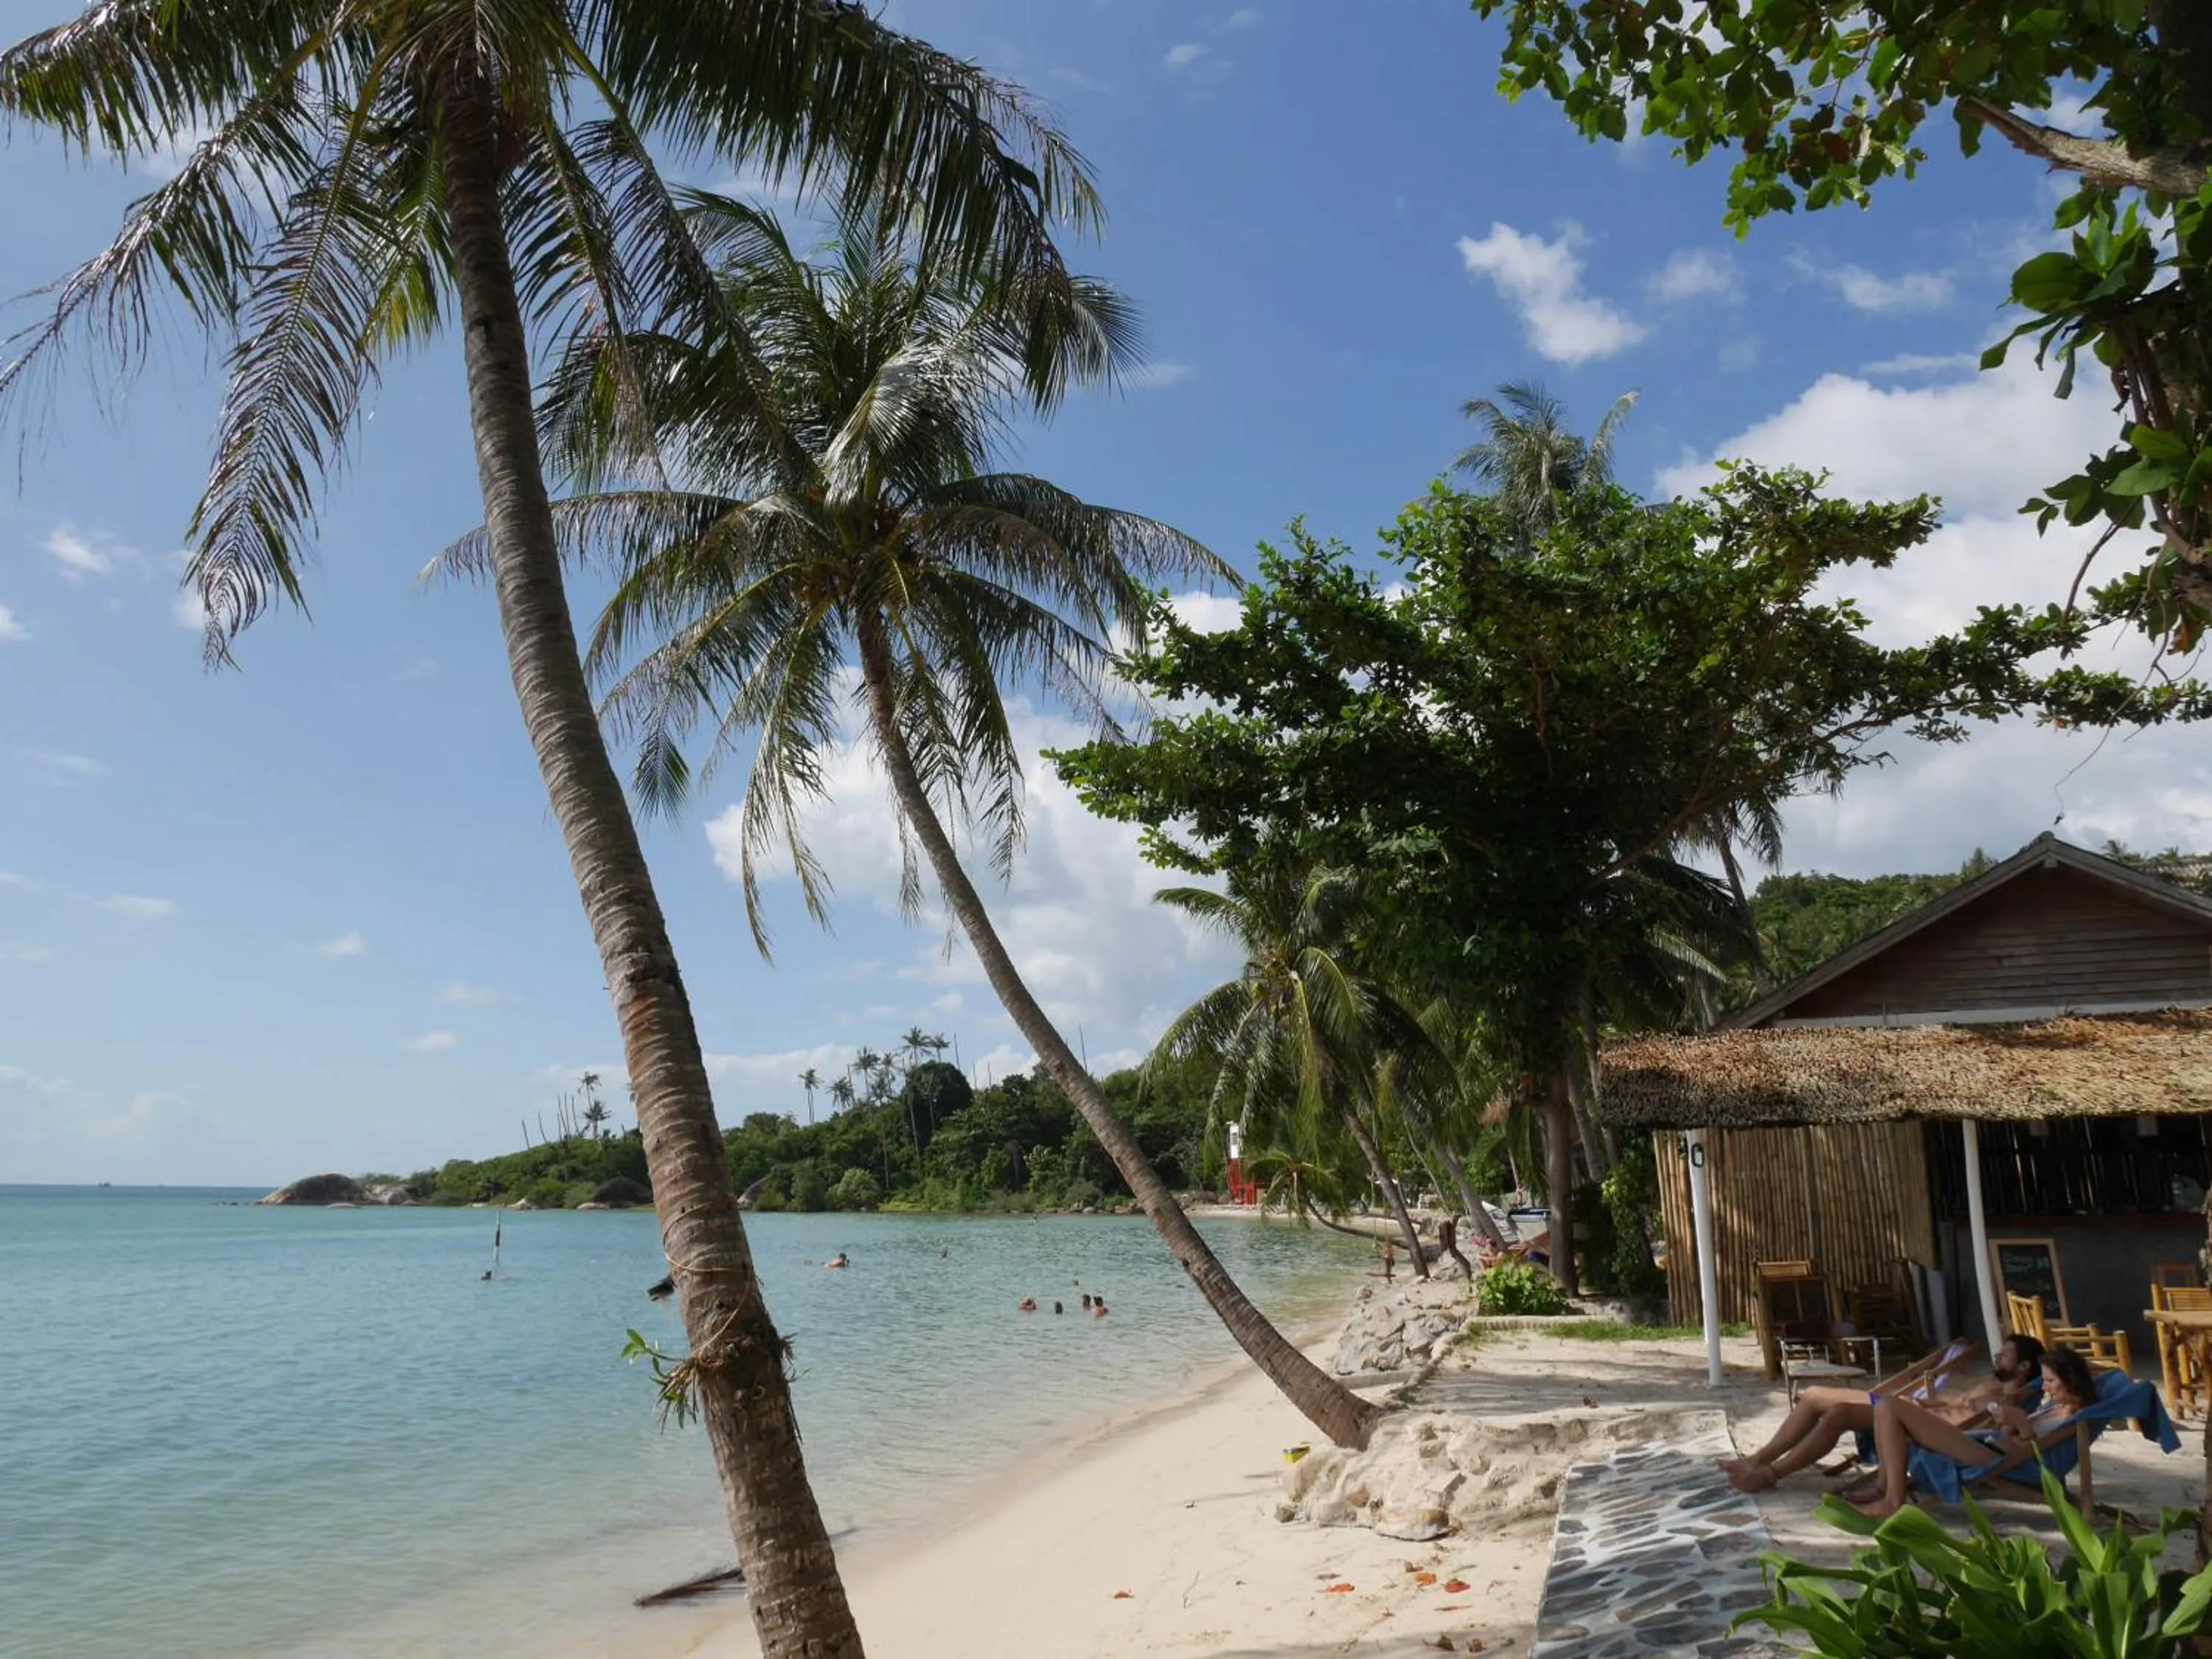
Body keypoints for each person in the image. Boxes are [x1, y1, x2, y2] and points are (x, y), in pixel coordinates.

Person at [1719, 1335, 2045, 1493]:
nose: (1998, 1357)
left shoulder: (2014, 1395)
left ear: (2024, 1367)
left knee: (1839, 1414)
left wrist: (1917, 1411)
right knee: (1815, 1396)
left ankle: (1770, 1473)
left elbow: (1997, 1430)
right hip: (1916, 1412)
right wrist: (1917, 1402)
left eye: (2005, 1356)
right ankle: (1758, 1460)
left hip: (1922, 1429)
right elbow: (1952, 1405)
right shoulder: (1990, 1381)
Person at [1848, 1345, 2096, 1519]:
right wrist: (2009, 1420)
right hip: (1986, 1446)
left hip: (1993, 1458)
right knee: (1885, 1407)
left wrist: (2020, 1423)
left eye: (2050, 1381)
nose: (2045, 1387)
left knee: (1891, 1407)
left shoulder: (2075, 1418)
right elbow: (2016, 1435)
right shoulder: (2055, 1408)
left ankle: (1892, 1500)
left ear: (2071, 1379)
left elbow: (2031, 1452)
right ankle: (1884, 1489)